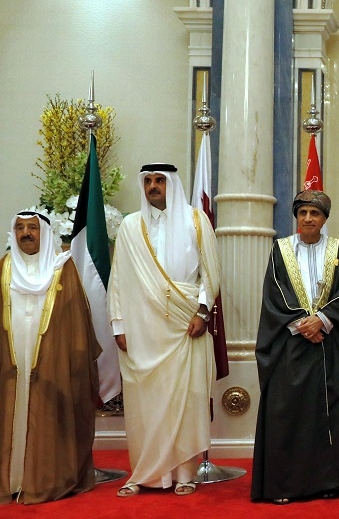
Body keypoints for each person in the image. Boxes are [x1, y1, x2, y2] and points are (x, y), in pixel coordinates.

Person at [109, 163, 221, 497]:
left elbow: (210, 272)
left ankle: (185, 474)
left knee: (186, 400)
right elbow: (119, 279)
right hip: (142, 327)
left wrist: (203, 312)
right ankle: (146, 474)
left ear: (172, 184)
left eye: (160, 180)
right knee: (147, 401)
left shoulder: (196, 221)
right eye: (148, 181)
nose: (153, 186)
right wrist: (118, 324)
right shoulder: (131, 226)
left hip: (186, 324)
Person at [252, 190, 339, 504]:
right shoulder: (281, 250)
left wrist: (322, 320)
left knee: (326, 415)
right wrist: (303, 324)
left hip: (328, 345)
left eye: (315, 213)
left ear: (324, 219)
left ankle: (329, 482)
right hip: (289, 346)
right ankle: (283, 486)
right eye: (303, 213)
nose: (308, 219)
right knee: (286, 415)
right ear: (297, 218)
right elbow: (274, 293)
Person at [0, 212, 101, 504]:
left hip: (52, 363)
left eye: (32, 227)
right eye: (20, 228)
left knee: (46, 414)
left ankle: (44, 479)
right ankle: (12, 479)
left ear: (44, 233)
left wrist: (71, 359)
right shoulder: (4, 267)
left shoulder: (61, 268)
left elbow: (76, 321)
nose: (26, 233)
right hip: (10, 363)